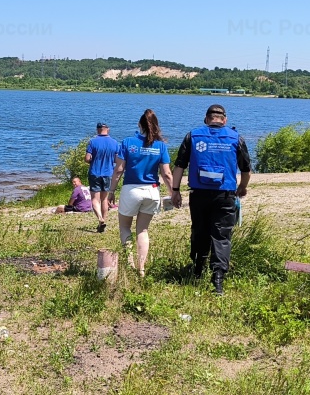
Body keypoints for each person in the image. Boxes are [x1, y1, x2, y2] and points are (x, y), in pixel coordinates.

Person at [171, 104, 251, 295]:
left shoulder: (193, 135)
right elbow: (246, 170)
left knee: (199, 231)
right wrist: (242, 187)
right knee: (221, 236)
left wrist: (175, 190)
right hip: (225, 196)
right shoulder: (236, 138)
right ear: (224, 120)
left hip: (199, 194)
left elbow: (179, 166)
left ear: (206, 119)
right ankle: (218, 281)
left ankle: (197, 271)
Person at [107, 109, 174, 277]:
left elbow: (118, 170)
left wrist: (111, 191)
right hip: (152, 191)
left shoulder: (128, 142)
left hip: (131, 190)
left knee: (124, 227)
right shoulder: (160, 146)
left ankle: (129, 264)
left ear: (139, 124)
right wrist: (173, 193)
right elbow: (166, 174)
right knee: (142, 231)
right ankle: (142, 268)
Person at [85, 122, 119, 232]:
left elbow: (87, 158)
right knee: (104, 199)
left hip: (94, 172)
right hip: (108, 173)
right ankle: (103, 220)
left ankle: (100, 219)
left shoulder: (92, 142)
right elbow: (116, 160)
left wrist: (91, 160)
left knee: (95, 199)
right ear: (107, 129)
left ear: (97, 130)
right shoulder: (114, 143)